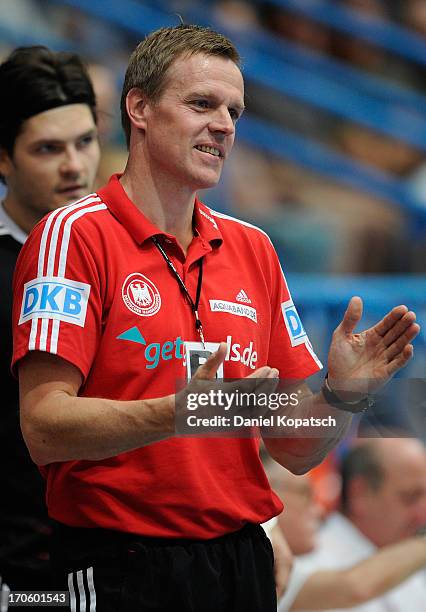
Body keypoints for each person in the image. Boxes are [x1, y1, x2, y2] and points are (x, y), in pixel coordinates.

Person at [11, 25, 419, 611]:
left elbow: (292, 448)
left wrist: (341, 396)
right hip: (121, 562)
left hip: (240, 563)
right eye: (202, 104)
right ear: (139, 108)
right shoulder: (73, 236)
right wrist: (174, 413)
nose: (224, 124)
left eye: (234, 110)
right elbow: (44, 429)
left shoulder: (254, 247)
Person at [0, 45, 100, 590]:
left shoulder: (139, 255)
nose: (74, 165)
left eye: (85, 142)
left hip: (127, 561)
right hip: (24, 570)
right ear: (3, 157)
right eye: (48, 149)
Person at [271, 439, 426, 611]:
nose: (423, 513)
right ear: (359, 493)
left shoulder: (406, 553)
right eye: (410, 497)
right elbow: (354, 588)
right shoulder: (309, 554)